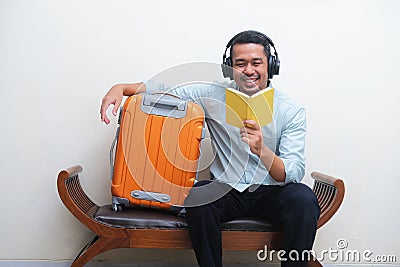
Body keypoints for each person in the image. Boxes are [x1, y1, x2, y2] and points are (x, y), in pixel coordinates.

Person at [100, 30, 320, 267]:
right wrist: (121, 87)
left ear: (271, 66)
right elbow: (166, 89)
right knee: (200, 195)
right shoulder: (213, 94)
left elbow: (293, 172)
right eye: (240, 64)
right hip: (227, 189)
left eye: (257, 63)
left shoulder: (290, 110)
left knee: (303, 198)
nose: (248, 70)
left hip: (272, 192)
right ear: (230, 68)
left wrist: (262, 150)